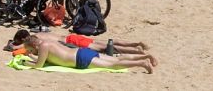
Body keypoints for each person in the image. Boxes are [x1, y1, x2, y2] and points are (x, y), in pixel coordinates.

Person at [21, 35, 154, 73]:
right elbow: (45, 59)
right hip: (81, 52)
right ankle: (144, 56)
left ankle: (142, 63)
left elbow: (39, 65)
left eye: (31, 50)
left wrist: (25, 62)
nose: (32, 52)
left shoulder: (43, 46)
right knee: (114, 59)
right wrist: (32, 57)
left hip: (80, 59)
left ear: (34, 46)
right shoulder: (46, 42)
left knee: (113, 64)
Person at [11, 30, 151, 56]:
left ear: (24, 39)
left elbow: (15, 48)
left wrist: (12, 44)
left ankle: (137, 52)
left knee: (105, 48)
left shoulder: (33, 40)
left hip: (72, 42)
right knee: (105, 42)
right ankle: (135, 44)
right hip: (72, 36)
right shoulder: (40, 33)